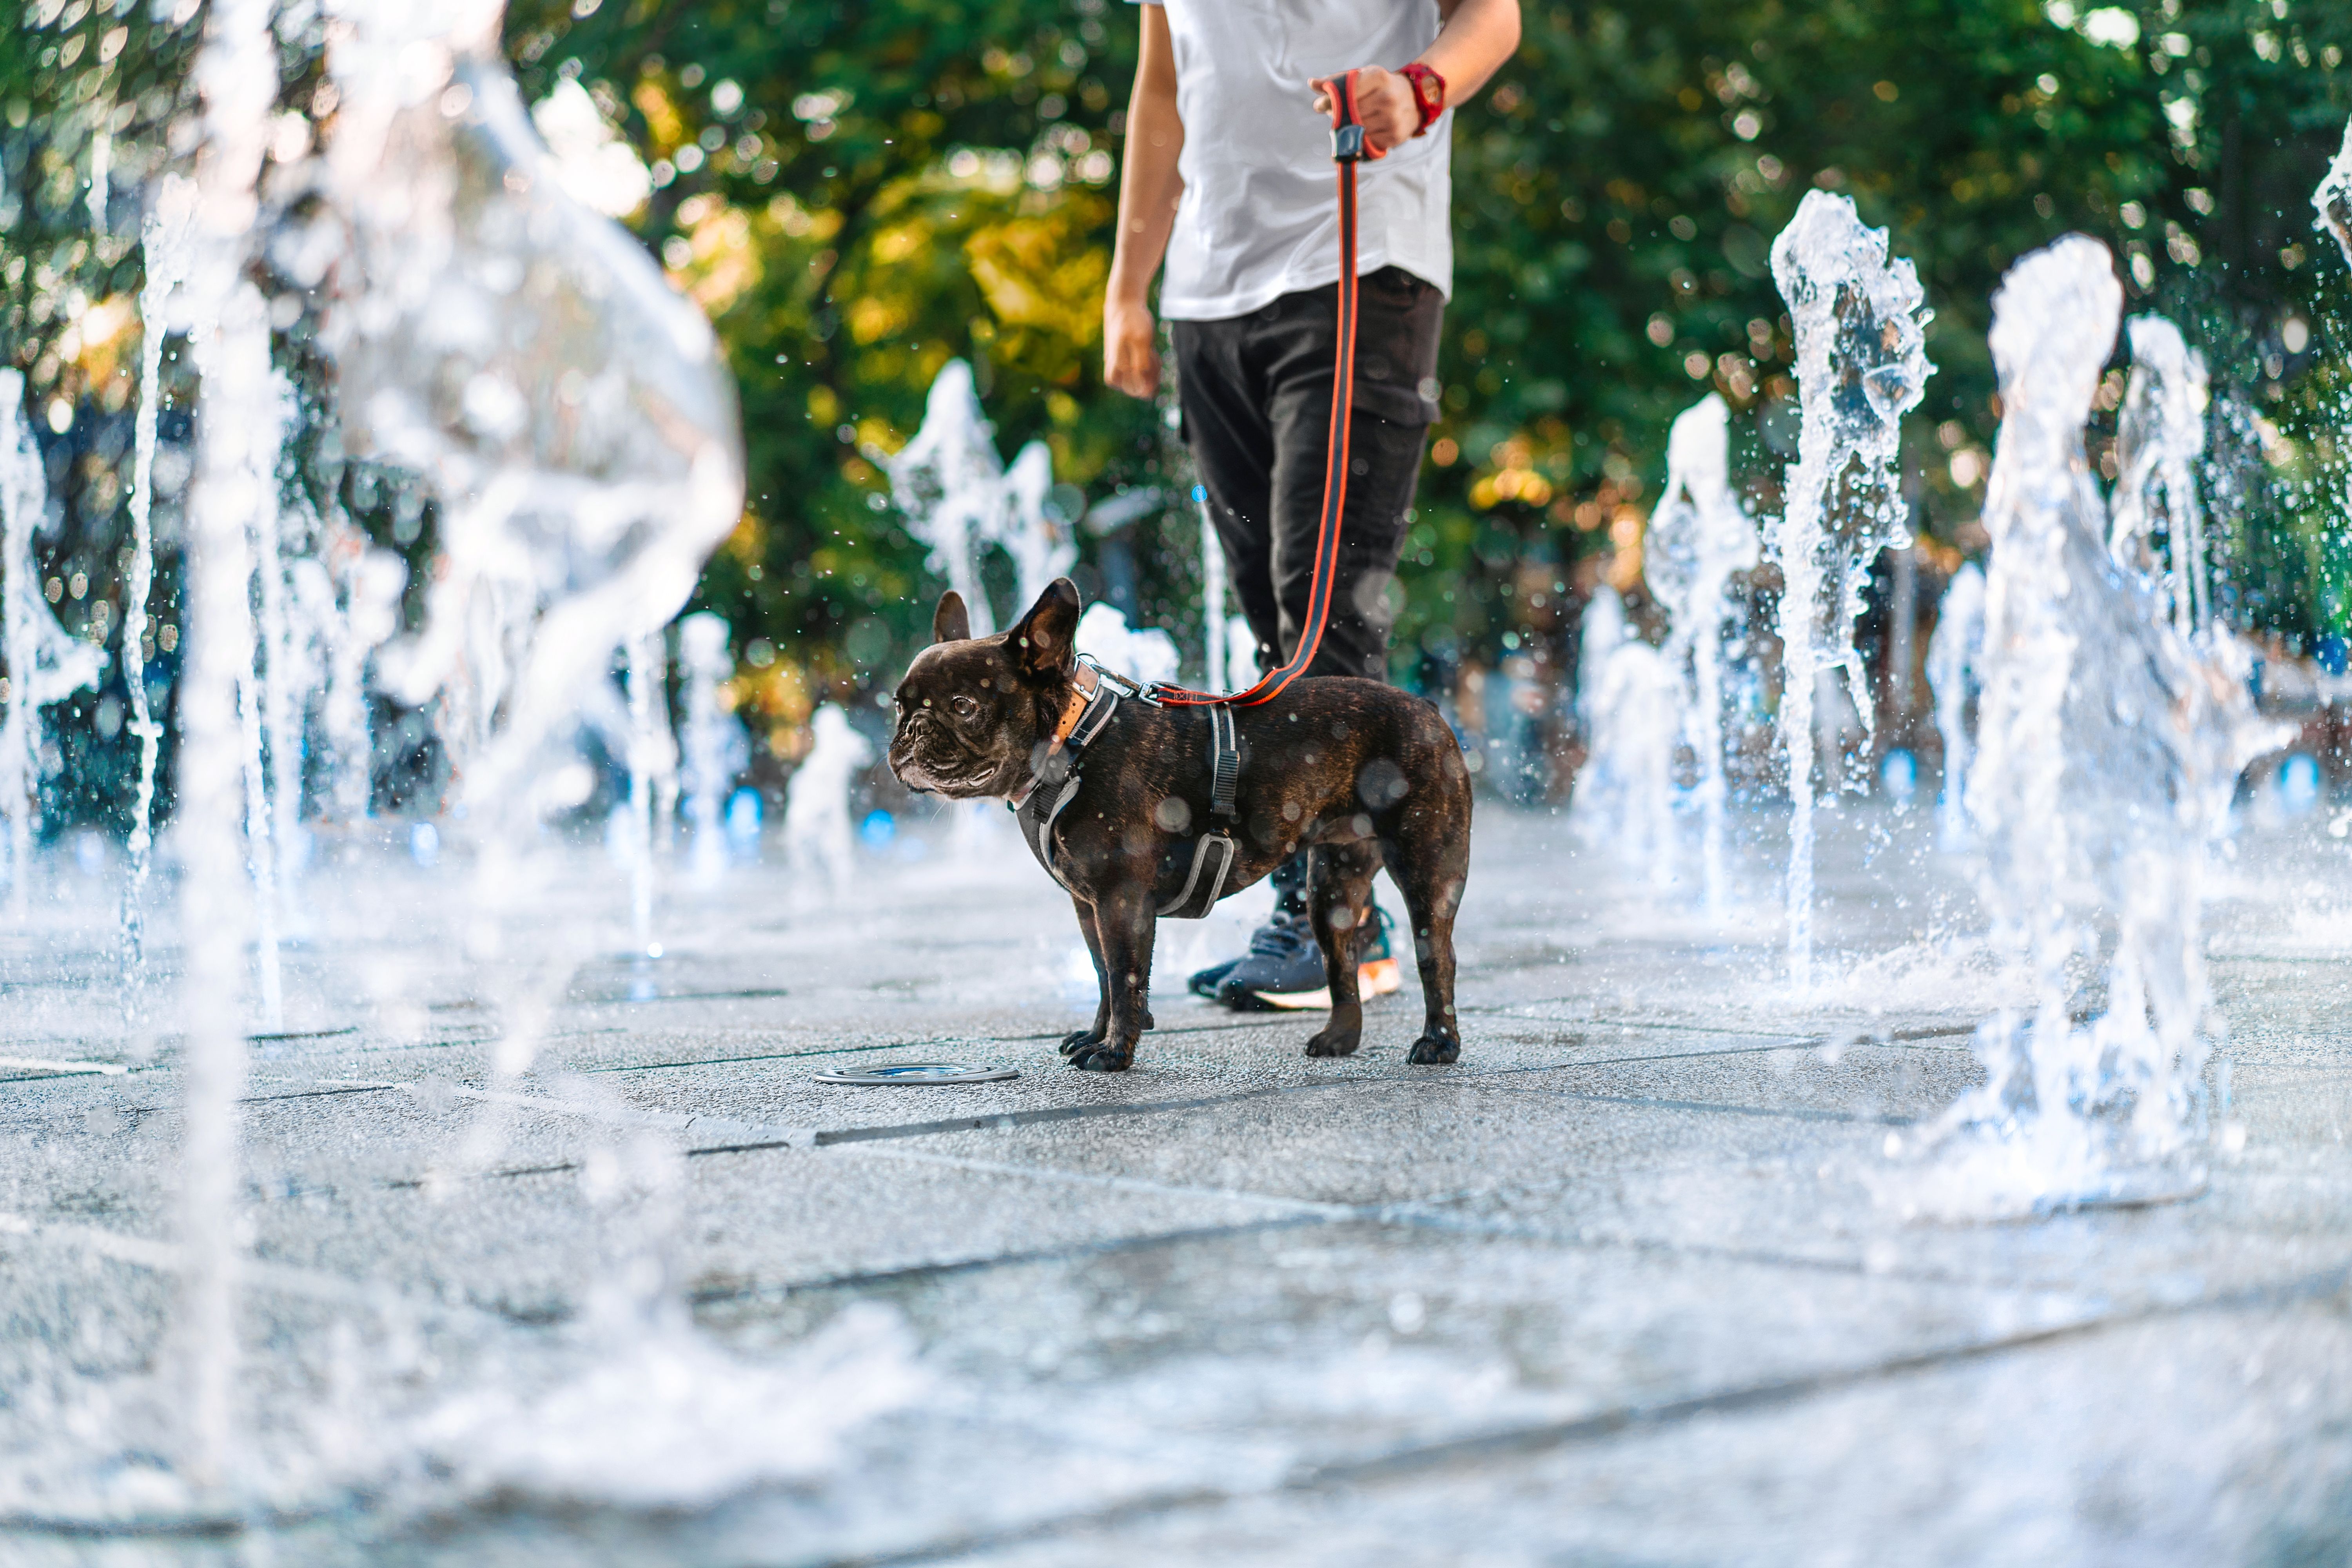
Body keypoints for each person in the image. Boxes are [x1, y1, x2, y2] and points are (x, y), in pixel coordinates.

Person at [1104, 0, 1521, 1009]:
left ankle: (1343, 923)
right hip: (1210, 293)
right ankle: (1312, 897)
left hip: (1357, 259)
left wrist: (1420, 88)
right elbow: (1163, 91)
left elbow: (1494, 17)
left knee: (1324, 612)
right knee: (1273, 626)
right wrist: (1129, 284)